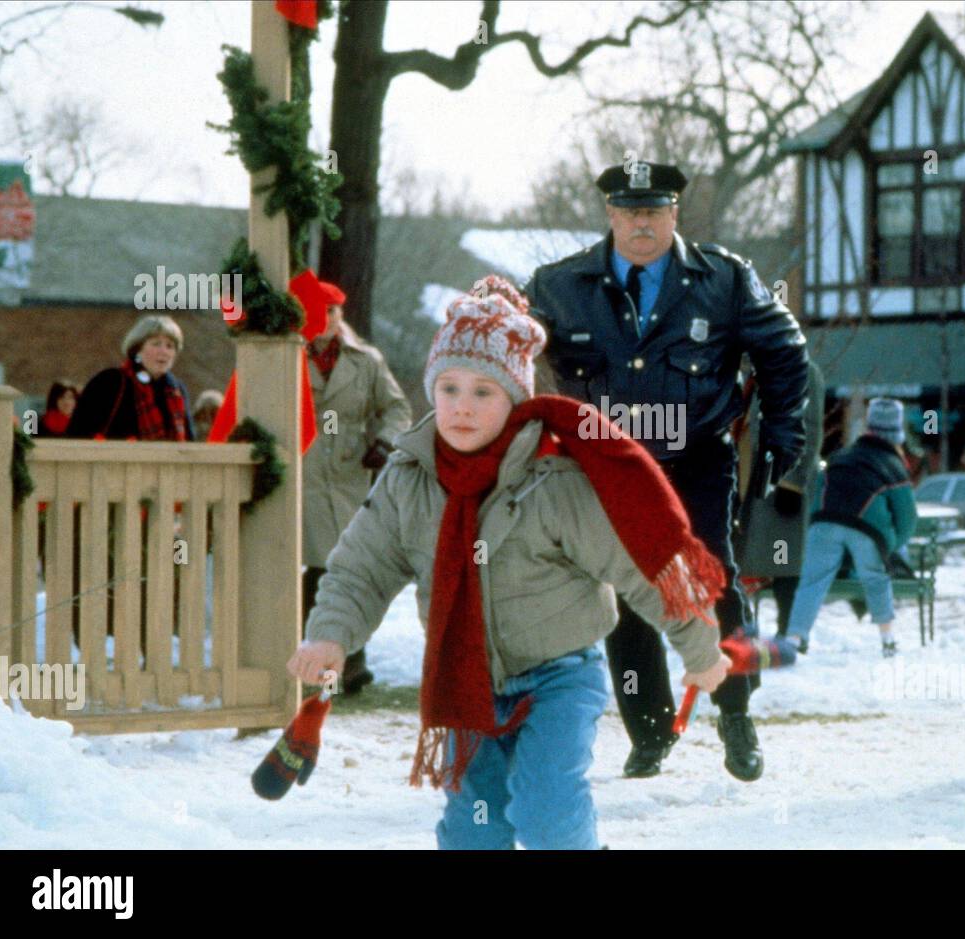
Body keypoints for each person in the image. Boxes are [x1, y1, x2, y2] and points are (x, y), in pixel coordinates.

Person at [288, 277, 728, 849]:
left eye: (483, 393)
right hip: (464, 679)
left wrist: (700, 648)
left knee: (546, 813)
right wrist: (329, 636)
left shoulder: (552, 477)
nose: (462, 408)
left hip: (559, 676)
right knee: (475, 826)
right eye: (449, 388)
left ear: (515, 399)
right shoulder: (409, 476)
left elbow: (637, 565)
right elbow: (360, 569)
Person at [524, 160, 809, 781]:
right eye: (629, 211)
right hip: (607, 464)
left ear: (675, 212)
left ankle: (735, 712)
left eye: (653, 210)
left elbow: (785, 352)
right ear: (609, 215)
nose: (641, 223)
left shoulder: (724, 280)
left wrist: (782, 431)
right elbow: (509, 354)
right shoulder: (557, 285)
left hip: (696, 457)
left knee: (713, 582)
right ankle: (649, 731)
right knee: (627, 593)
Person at [301, 280, 413, 695]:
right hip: (303, 471)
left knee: (345, 563)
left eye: (334, 312)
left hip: (349, 473)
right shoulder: (286, 357)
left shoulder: (365, 361)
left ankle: (347, 662)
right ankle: (322, 659)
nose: (329, 321)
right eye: (320, 311)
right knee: (311, 564)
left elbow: (397, 407)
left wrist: (385, 441)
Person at [784, 398, 916, 657]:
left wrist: (817, 525)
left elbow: (816, 495)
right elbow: (907, 518)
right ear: (897, 434)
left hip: (824, 523)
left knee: (811, 581)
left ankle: (795, 638)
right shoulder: (895, 467)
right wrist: (890, 546)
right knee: (876, 579)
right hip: (868, 531)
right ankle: (887, 640)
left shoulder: (841, 456)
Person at [735, 360, 825, 639]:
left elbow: (808, 428)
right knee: (740, 559)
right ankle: (740, 627)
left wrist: (793, 481)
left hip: (780, 480)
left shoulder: (800, 369)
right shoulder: (750, 372)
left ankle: (789, 631)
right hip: (745, 478)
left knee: (782, 558)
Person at [67, 314, 193, 441]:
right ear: (137, 349)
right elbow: (77, 434)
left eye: (170, 346)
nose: (163, 351)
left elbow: (189, 442)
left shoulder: (177, 390)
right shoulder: (111, 381)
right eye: (156, 344)